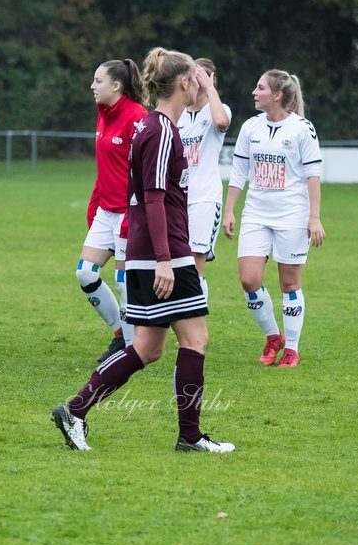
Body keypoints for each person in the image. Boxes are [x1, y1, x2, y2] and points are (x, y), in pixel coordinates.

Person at [52, 48, 234, 454]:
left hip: (156, 251)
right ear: (185, 83)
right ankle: (189, 436)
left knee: (147, 349)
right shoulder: (161, 130)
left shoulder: (156, 126)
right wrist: (166, 261)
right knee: (195, 340)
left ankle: (75, 411)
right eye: (195, 79)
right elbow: (152, 198)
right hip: (162, 255)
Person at [222, 69, 325, 368]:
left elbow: (313, 175)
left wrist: (314, 218)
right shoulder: (250, 128)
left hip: (292, 214)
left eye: (260, 87)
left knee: (289, 285)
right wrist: (230, 210)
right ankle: (273, 336)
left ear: (277, 95)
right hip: (255, 213)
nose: (254, 92)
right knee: (249, 279)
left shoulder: (302, 129)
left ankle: (291, 349)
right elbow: (239, 172)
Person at [76, 59, 147, 364]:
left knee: (123, 281)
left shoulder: (138, 118)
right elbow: (105, 169)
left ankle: (134, 350)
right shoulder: (103, 114)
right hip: (106, 211)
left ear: (116, 86)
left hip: (131, 213)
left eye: (98, 81)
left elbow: (145, 175)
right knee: (85, 274)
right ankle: (120, 335)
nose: (92, 86)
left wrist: (133, 215)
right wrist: (95, 206)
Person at [177, 57, 231, 303]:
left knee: (195, 264)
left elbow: (222, 122)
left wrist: (209, 89)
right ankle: (186, 325)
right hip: (177, 198)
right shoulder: (179, 114)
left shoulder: (218, 110)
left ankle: (196, 332)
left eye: (201, 77)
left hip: (205, 199)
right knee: (179, 262)